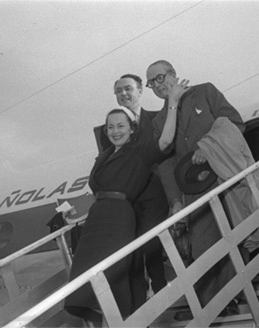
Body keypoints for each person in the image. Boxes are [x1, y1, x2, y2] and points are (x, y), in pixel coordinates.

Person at [65, 77, 188, 325]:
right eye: (110, 127)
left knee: (112, 276)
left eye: (121, 126)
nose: (115, 132)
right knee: (87, 280)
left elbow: (164, 141)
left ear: (132, 128)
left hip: (119, 219)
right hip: (96, 222)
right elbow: (98, 188)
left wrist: (173, 103)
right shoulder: (105, 155)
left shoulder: (139, 152)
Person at [147, 60, 245, 319]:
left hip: (226, 178)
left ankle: (231, 296)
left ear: (173, 74)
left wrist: (209, 147)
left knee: (237, 236)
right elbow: (166, 165)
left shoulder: (205, 92)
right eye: (151, 83)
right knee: (202, 246)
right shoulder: (159, 121)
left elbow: (236, 123)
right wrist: (175, 201)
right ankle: (213, 304)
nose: (157, 85)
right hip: (194, 191)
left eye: (160, 78)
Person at [94, 74, 170, 310]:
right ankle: (138, 304)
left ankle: (160, 288)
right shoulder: (106, 130)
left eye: (128, 89)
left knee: (150, 243)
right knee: (132, 253)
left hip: (154, 192)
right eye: (118, 91)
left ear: (140, 91)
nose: (123, 94)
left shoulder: (158, 118)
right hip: (127, 200)